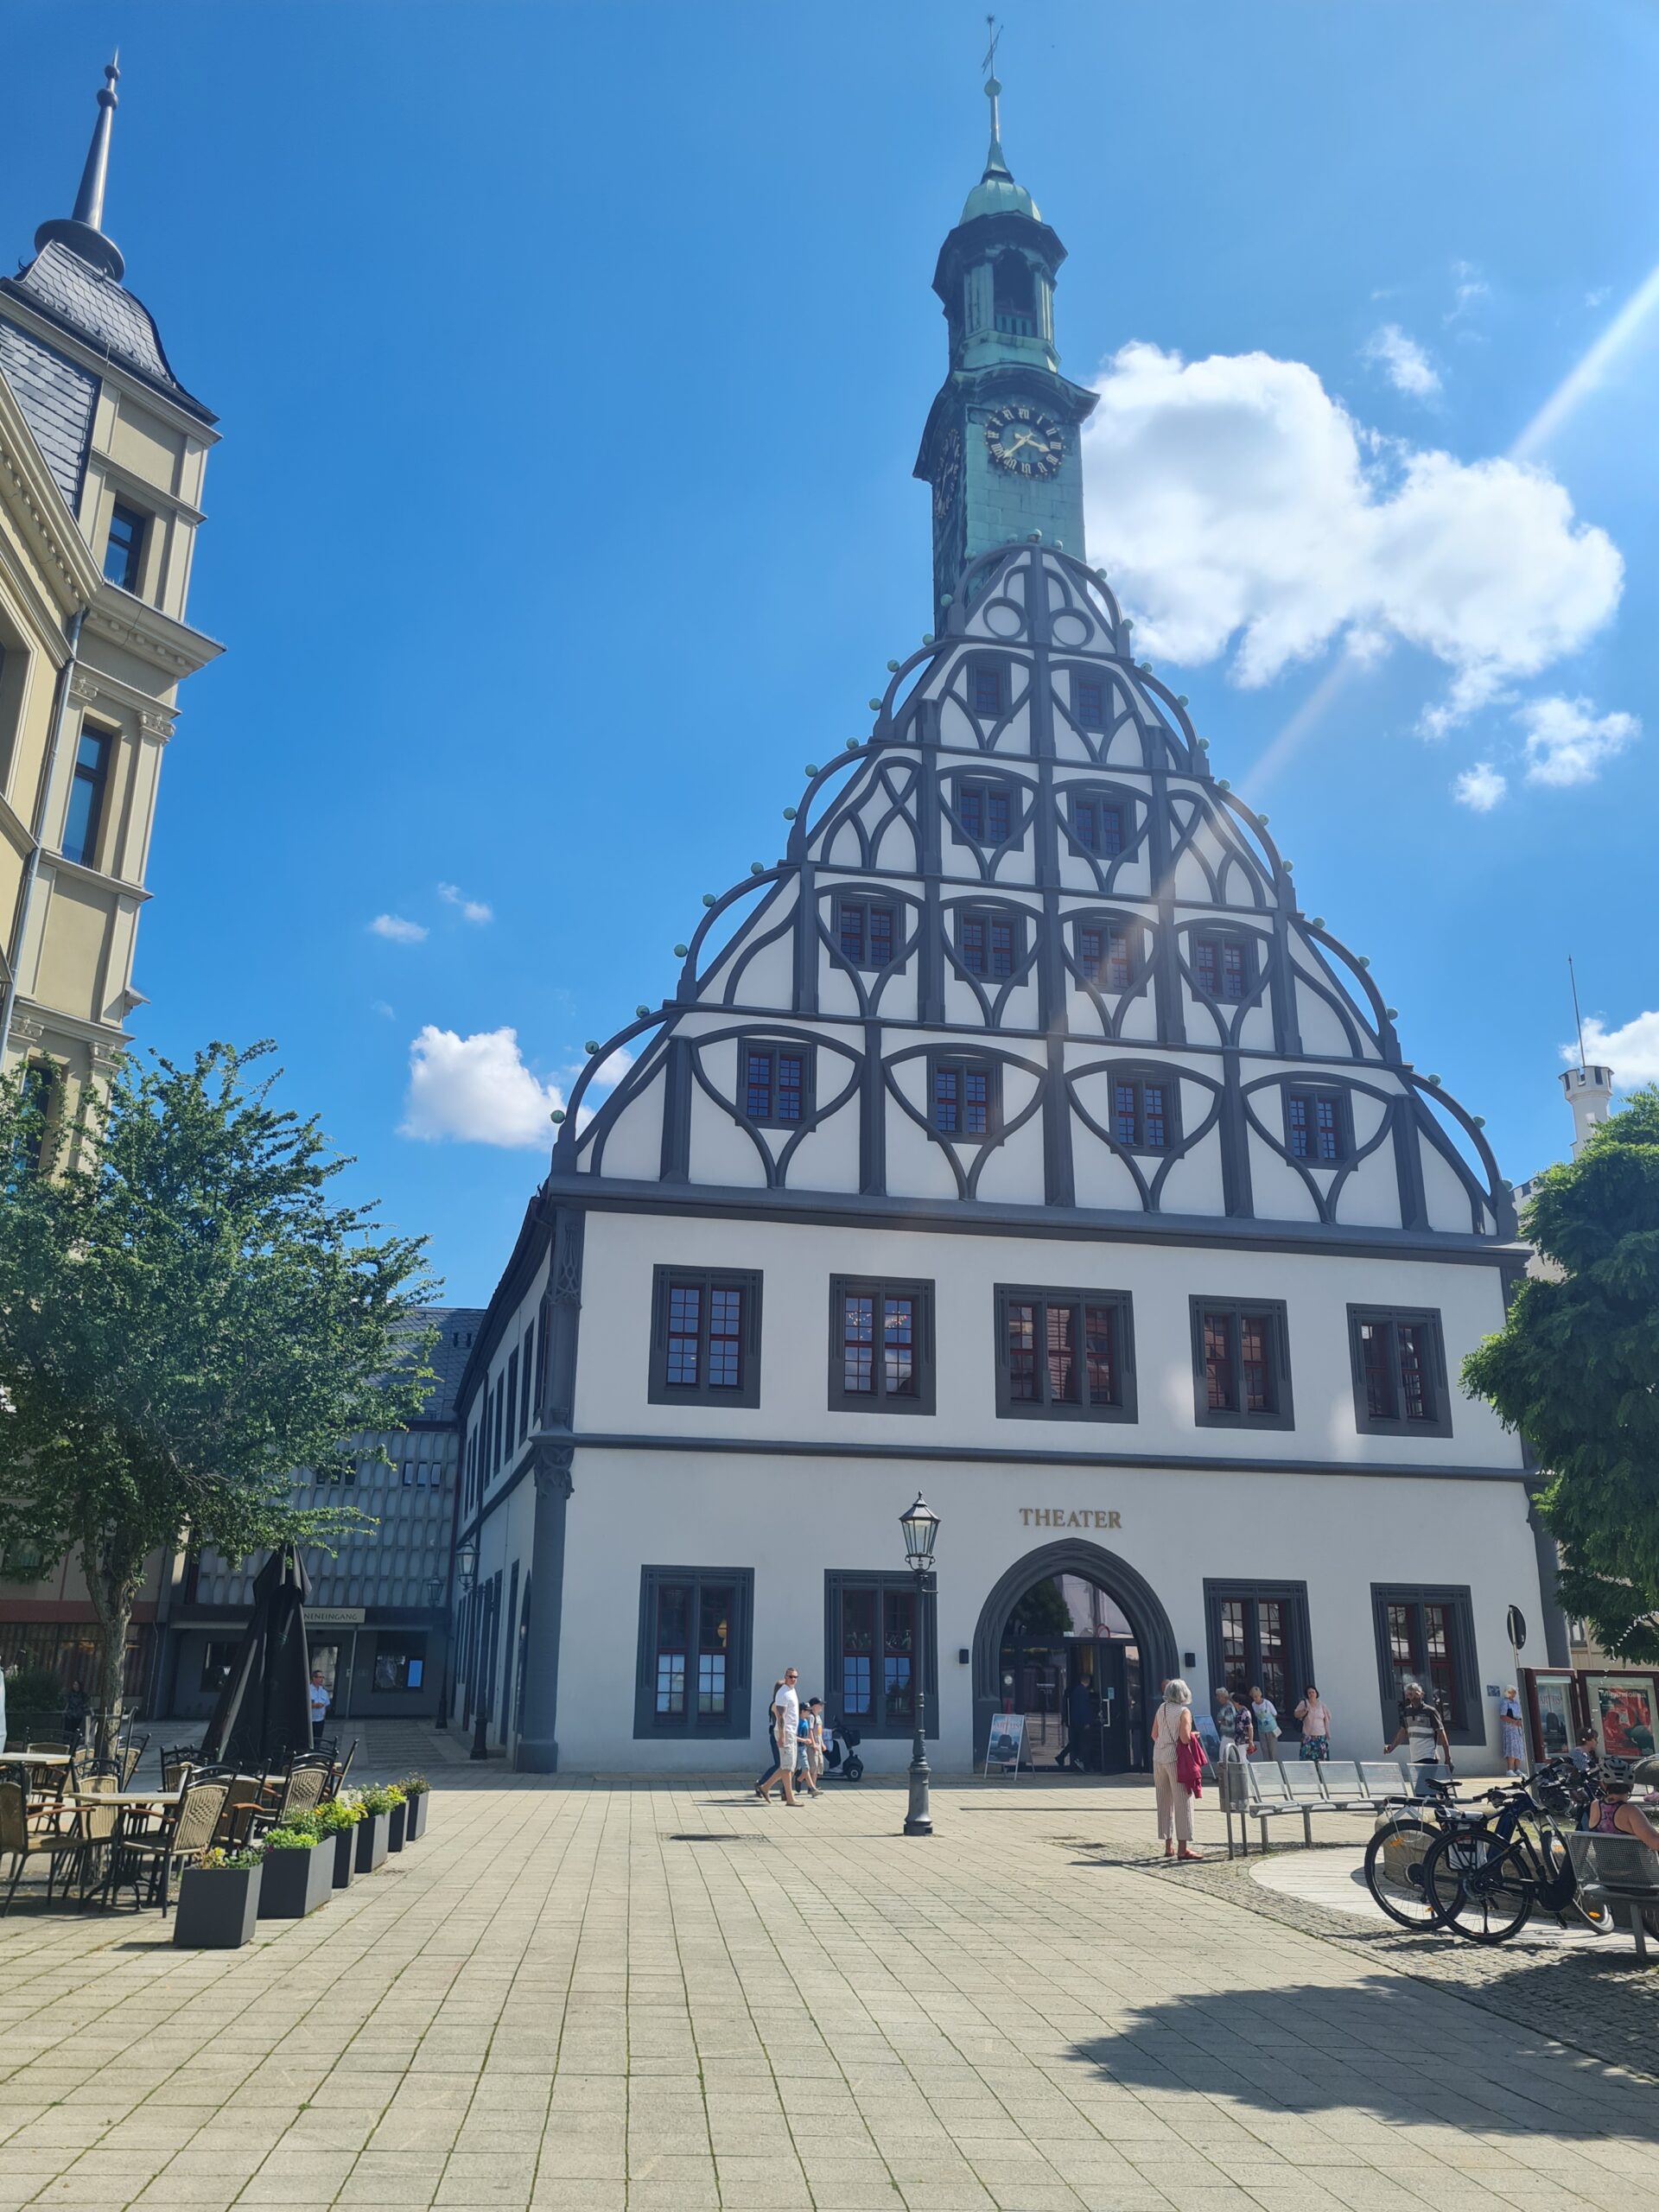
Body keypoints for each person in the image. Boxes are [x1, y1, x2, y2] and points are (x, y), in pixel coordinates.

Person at [1151, 1678, 1203, 1861]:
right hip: (1175, 1759)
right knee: (1183, 1801)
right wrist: (1194, 1735)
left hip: (1158, 1757)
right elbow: (1185, 1738)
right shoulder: (1183, 1712)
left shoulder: (1161, 1708)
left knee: (1164, 1802)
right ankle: (1183, 1849)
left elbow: (1154, 1734)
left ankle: (1168, 1845)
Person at [1386, 1680, 1452, 1795]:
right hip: (1415, 1756)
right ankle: (1442, 1799)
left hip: (1429, 1756)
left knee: (1420, 1791)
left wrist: (1448, 1757)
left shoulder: (1430, 1712)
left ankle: (1440, 1800)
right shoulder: (1407, 1711)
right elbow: (1403, 1732)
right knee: (1428, 1790)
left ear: (1421, 1694)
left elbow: (1441, 1733)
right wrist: (1392, 1747)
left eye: (1414, 1692)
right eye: (1408, 1693)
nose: (1410, 1695)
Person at [755, 1668, 801, 1805]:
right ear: (785, 1676)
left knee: (788, 1767)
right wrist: (782, 1736)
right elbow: (781, 1717)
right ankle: (789, 1798)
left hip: (791, 1732)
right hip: (785, 1732)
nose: (793, 1679)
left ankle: (765, 1787)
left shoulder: (791, 1691)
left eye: (795, 1677)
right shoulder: (782, 1693)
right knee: (787, 1767)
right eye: (791, 1676)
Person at [1058, 1676, 1096, 1772]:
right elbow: (1083, 1708)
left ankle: (1062, 1756)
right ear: (1088, 1682)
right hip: (1081, 1722)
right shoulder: (1083, 1692)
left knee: (1075, 1742)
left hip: (1074, 1722)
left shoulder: (1075, 1691)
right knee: (1085, 1743)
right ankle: (1082, 1761)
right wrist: (1087, 1722)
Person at [1294, 1685, 1332, 1764]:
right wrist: (1304, 1711)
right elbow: (1296, 1715)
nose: (1311, 1694)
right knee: (1307, 1759)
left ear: (1316, 1694)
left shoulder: (1322, 1705)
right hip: (1308, 1736)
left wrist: (1327, 1733)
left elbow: (1328, 1717)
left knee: (1321, 1759)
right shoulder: (1304, 1703)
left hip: (1320, 1736)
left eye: (1313, 1692)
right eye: (1309, 1693)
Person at [798, 1697, 824, 1797]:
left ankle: (808, 1783)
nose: (821, 1706)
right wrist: (813, 1744)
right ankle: (811, 1788)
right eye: (819, 1704)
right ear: (814, 1706)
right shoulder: (811, 1717)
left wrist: (822, 1744)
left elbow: (819, 1733)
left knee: (818, 1766)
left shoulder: (818, 1717)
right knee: (812, 1767)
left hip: (818, 1744)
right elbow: (810, 1732)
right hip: (812, 1745)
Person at [1497, 1686, 1524, 1776]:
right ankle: (1510, 1769)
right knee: (1511, 1748)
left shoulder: (1516, 1703)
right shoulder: (1505, 1703)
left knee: (1518, 1748)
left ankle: (1517, 1769)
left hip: (1517, 1729)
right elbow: (1502, 1716)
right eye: (1513, 1692)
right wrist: (1513, 1721)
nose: (1514, 1694)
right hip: (1509, 1729)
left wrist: (1520, 1722)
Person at [1249, 1686, 1281, 1765]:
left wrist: (1269, 1720)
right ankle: (1267, 1765)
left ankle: (1275, 1766)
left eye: (1257, 1696)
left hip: (1271, 1729)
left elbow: (1275, 1714)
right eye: (1254, 1697)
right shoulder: (1253, 1704)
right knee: (1264, 1749)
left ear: (1260, 1695)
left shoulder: (1267, 1703)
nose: (1256, 1699)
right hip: (1262, 1729)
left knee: (1272, 1749)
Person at [308, 1669, 331, 1748]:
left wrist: (324, 1717)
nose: (321, 1679)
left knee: (318, 1739)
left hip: (320, 1720)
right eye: (319, 1677)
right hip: (310, 1720)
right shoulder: (308, 1690)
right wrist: (314, 1706)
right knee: (309, 1740)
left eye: (322, 1677)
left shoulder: (324, 1692)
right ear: (314, 1678)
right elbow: (303, 1704)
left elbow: (326, 1705)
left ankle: (316, 1754)